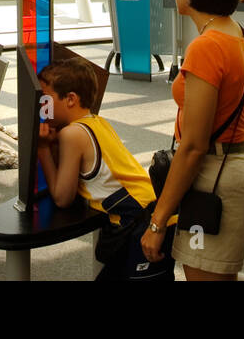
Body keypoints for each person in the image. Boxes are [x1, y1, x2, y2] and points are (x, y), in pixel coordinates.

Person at [141, 0, 244, 281]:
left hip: (217, 180)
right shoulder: (242, 36)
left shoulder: (207, 47)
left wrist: (158, 222)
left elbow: (194, 146)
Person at [36, 58, 174, 281]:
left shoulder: (71, 134)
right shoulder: (97, 122)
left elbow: (62, 198)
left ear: (70, 99)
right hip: (152, 213)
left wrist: (43, 149)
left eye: (45, 98)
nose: (41, 105)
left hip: (141, 224)